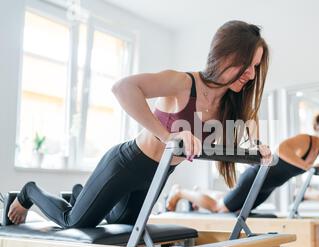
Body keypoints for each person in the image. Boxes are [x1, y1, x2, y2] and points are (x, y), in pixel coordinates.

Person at [4, 20, 272, 227]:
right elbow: (123, 88)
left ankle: (79, 193)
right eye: (247, 65)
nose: (250, 74)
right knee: (75, 221)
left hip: (157, 175)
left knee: (121, 225)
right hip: (127, 163)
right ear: (226, 56)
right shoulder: (182, 83)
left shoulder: (230, 106)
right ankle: (29, 192)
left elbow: (239, 141)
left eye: (255, 68)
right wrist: (167, 136)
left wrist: (257, 150)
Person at [166, 114, 319, 213]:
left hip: (268, 187)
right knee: (219, 208)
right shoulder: (306, 140)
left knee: (232, 207)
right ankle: (180, 192)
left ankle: (199, 193)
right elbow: (281, 150)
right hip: (256, 178)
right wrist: (308, 167)